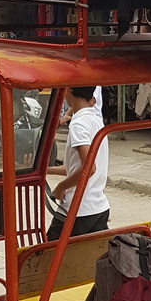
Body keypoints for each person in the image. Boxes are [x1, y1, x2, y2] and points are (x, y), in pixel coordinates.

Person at [47, 86, 109, 241]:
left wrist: (61, 187)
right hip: (98, 208)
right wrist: (46, 170)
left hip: (77, 210)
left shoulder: (78, 124)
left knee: (47, 259)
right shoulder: (96, 121)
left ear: (68, 91)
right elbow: (75, 167)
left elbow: (89, 168)